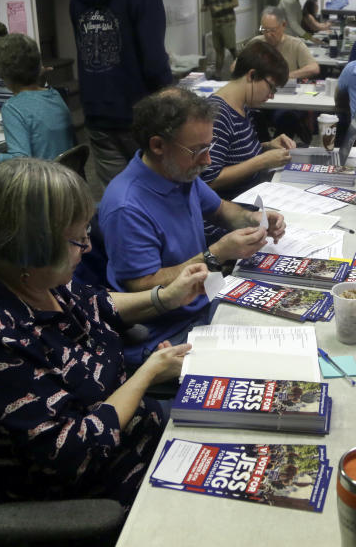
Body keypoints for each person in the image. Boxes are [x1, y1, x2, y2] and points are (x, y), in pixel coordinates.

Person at [0, 158, 209, 512]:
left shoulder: (37, 280)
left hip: (142, 433)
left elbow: (98, 305)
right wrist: (147, 374)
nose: (88, 247)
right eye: (77, 240)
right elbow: (72, 453)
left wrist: (165, 297)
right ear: (32, 246)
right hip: (101, 487)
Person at [98, 87, 285, 363]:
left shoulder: (180, 173)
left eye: (209, 147)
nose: (208, 160)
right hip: (167, 331)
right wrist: (216, 254)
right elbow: (141, 287)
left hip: (204, 299)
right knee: (271, 358)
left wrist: (256, 218)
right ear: (158, 145)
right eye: (198, 150)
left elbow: (221, 209)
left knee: (284, 317)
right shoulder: (127, 206)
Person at [70, 0, 172, 187]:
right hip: (139, 114)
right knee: (154, 191)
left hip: (97, 109)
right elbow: (154, 63)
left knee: (117, 194)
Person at [201, 42, 295, 201]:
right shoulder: (218, 114)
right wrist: (262, 161)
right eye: (271, 88)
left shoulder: (242, 107)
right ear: (252, 75)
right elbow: (208, 181)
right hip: (230, 213)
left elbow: (234, 154)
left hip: (253, 197)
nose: (271, 96)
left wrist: (267, 146)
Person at [0, 33, 74, 165]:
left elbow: (20, 161)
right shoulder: (55, 95)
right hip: (66, 177)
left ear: (2, 75)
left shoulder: (13, 108)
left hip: (42, 180)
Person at [243, 6, 319, 143]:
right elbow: (235, 67)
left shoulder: (295, 44)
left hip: (286, 99)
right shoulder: (256, 43)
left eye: (272, 30)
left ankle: (280, 148)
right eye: (264, 30)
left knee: (287, 117)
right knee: (251, 114)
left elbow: (314, 68)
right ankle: (264, 148)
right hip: (261, 99)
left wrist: (289, 75)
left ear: (283, 26)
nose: (268, 34)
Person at [202, 0, 239, 78]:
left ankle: (239, 70)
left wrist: (221, 7)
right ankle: (217, 75)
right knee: (218, 50)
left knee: (232, 48)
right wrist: (204, 7)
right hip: (215, 22)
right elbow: (206, 3)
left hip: (227, 22)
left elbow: (235, 2)